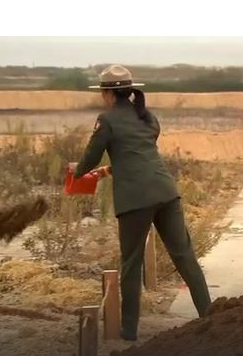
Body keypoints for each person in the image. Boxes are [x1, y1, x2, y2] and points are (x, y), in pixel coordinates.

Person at [70, 64, 211, 341]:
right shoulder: (147, 116)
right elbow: (139, 152)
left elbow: (91, 156)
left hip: (135, 199)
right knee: (184, 256)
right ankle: (210, 314)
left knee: (132, 263)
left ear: (107, 93)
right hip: (166, 191)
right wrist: (112, 168)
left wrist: (76, 172)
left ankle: (129, 330)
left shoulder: (107, 119)